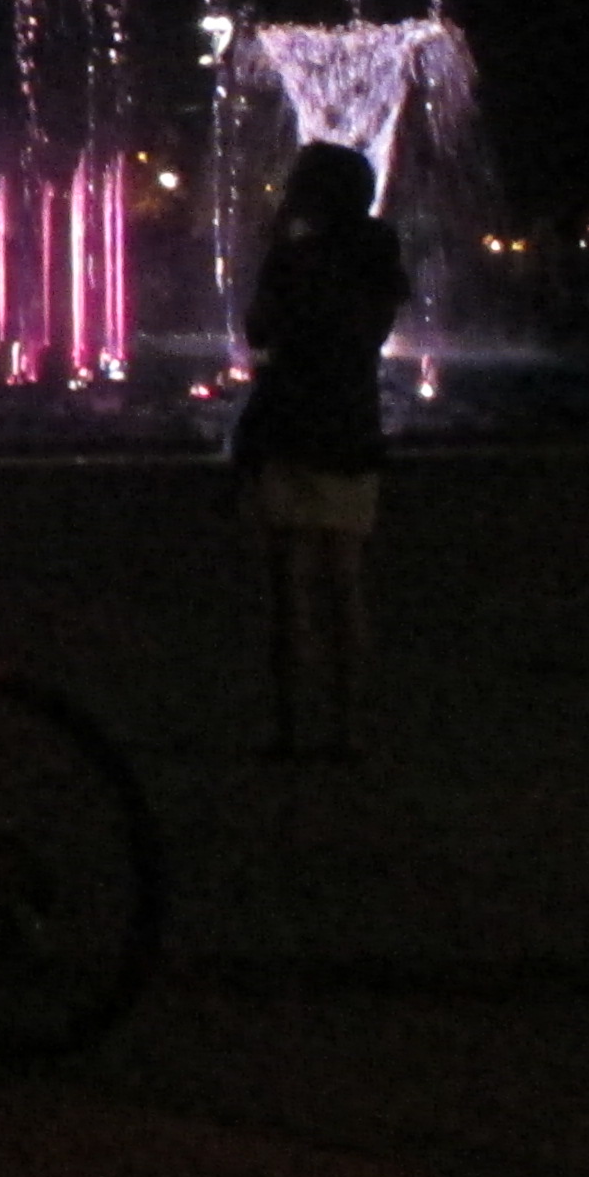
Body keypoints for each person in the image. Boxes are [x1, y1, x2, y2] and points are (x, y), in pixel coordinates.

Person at [233, 139, 408, 760]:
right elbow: (374, 334)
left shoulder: (295, 258)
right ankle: (346, 731)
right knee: (345, 583)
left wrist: (280, 241)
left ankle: (289, 731)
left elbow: (258, 330)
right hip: (351, 424)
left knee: (291, 586)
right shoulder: (377, 254)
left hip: (291, 421)